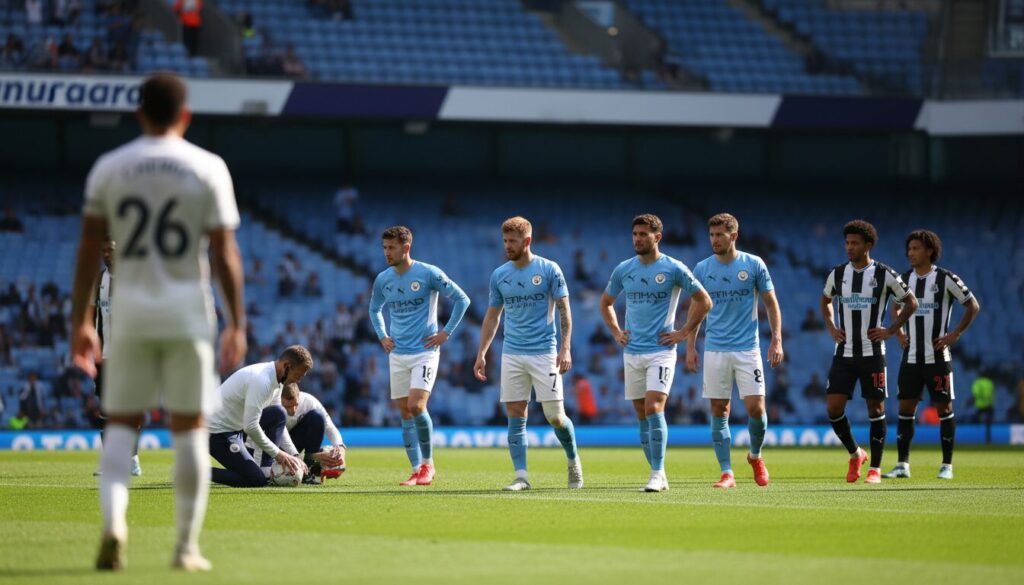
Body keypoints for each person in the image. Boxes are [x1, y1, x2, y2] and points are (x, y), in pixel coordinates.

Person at [70, 73, 246, 571]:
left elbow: (88, 249)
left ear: (139, 113)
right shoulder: (207, 167)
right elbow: (225, 251)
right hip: (187, 309)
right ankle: (186, 547)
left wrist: (78, 320)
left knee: (121, 425)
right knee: (190, 429)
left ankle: (113, 526)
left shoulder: (111, 166)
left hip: (130, 315)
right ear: (185, 115)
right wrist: (237, 321)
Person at [599, 214, 712, 492]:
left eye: (643, 234)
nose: (637, 239)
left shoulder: (673, 268)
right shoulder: (624, 269)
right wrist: (616, 332)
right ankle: (657, 473)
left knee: (654, 408)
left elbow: (704, 300)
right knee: (641, 415)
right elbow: (606, 303)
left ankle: (657, 472)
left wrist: (684, 331)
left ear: (657, 237)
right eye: (635, 234)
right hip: (632, 351)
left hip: (661, 351)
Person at [473, 216, 582, 491]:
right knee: (515, 415)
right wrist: (482, 352)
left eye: (513, 241)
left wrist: (565, 347)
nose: (508, 246)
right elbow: (492, 317)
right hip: (512, 353)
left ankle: (573, 460)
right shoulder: (499, 275)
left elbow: (564, 310)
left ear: (528, 241)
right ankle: (521, 476)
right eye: (505, 241)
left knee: (555, 416)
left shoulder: (548, 269)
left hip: (545, 352)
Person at [685, 213, 783, 488]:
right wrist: (690, 346)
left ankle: (755, 455)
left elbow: (771, 304)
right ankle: (727, 472)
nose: (714, 240)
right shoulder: (703, 268)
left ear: (733, 236)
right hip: (715, 348)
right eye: (712, 235)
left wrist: (776, 340)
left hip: (747, 348)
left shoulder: (753, 265)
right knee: (719, 409)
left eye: (720, 235)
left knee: (757, 408)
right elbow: (695, 310)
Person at [369, 226, 470, 487]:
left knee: (416, 406)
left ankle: (428, 465)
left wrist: (446, 332)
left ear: (406, 248)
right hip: (397, 353)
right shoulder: (383, 279)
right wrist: (382, 335)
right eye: (384, 248)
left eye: (391, 248)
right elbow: (374, 309)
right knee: (404, 413)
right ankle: (415, 469)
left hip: (425, 352)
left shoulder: (428, 273)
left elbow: (462, 299)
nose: (386, 253)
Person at [820, 220, 916, 485]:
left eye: (855, 243)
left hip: (872, 353)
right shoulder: (837, 274)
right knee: (833, 408)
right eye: (847, 242)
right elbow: (825, 300)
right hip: (844, 352)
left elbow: (912, 302)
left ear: (868, 245)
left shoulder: (885, 274)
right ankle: (855, 453)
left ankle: (875, 468)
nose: (849, 247)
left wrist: (891, 329)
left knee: (876, 408)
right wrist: (831, 326)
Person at [883, 230, 979, 481]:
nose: (911, 253)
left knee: (944, 409)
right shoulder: (903, 279)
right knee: (905, 408)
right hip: (911, 358)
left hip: (938, 357)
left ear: (929, 251)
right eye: (909, 249)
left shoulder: (946, 278)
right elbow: (894, 305)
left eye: (916, 248)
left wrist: (954, 334)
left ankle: (947, 465)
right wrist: (899, 332)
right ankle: (902, 464)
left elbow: (972, 305)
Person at [207, 348, 312, 488]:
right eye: (298, 375)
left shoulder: (277, 381)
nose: (298, 381)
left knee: (279, 413)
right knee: (256, 480)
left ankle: (263, 468)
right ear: (286, 366)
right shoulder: (261, 381)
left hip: (235, 429)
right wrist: (279, 454)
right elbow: (251, 426)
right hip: (215, 432)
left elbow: (278, 422)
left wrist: (295, 455)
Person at [91, 237, 143, 477]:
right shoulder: (97, 280)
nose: (106, 255)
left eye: (110, 250)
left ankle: (131, 457)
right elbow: (93, 319)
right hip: (105, 356)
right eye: (103, 251)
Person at [250, 383, 346, 484]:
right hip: (271, 446)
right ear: (279, 399)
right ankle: (272, 468)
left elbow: (330, 426)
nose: (293, 410)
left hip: (293, 444)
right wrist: (307, 456)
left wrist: (340, 448)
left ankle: (309, 471)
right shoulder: (271, 404)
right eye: (288, 407)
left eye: (296, 404)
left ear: (299, 396)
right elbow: (278, 435)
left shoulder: (309, 401)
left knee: (317, 417)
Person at [971, 373, 995, 445]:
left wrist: (970, 402)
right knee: (988, 425)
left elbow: (975, 394)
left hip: (980, 406)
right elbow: (992, 393)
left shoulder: (978, 383)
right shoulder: (990, 382)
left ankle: (974, 439)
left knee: (976, 422)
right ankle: (988, 441)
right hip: (989, 406)